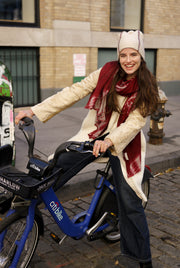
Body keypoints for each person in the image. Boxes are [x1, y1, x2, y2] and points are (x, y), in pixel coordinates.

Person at [15, 30, 159, 268]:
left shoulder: (145, 84)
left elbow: (135, 122)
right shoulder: (106, 72)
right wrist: (34, 110)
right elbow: (75, 91)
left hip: (124, 144)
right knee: (58, 163)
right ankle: (22, 206)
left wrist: (111, 141)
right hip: (96, 134)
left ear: (141, 55)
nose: (128, 60)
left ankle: (141, 259)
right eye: (123, 54)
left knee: (130, 201)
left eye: (133, 54)